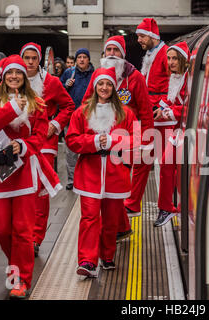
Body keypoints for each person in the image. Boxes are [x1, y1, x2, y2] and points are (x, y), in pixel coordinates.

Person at [0, 55, 61, 299]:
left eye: (19, 73)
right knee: (0, 227)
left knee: (22, 230)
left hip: (25, 173)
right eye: (10, 73)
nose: (14, 77)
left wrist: (23, 146)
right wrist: (13, 108)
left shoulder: (37, 103)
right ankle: (15, 262)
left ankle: (20, 278)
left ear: (25, 77)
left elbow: (39, 136)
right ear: (2, 77)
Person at [81, 35, 154, 241]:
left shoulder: (135, 78)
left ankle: (117, 227)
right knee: (110, 186)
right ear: (104, 54)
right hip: (102, 139)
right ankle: (121, 228)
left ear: (123, 54)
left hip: (128, 139)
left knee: (117, 183)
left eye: (116, 51)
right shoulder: (98, 75)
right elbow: (86, 104)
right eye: (109, 51)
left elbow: (146, 113)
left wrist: (146, 143)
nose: (112, 54)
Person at [65, 67, 137, 276]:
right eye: (101, 84)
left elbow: (136, 138)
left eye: (108, 84)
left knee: (111, 219)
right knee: (89, 217)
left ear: (114, 88)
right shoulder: (82, 112)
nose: (104, 88)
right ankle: (87, 261)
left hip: (116, 174)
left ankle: (107, 256)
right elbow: (71, 140)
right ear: (95, 87)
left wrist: (114, 140)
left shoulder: (125, 113)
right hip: (89, 173)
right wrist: (95, 141)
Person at [20, 42, 75, 257]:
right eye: (27, 58)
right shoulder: (13, 79)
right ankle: (23, 234)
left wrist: (56, 124)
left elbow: (68, 105)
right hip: (20, 141)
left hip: (45, 141)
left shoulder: (50, 82)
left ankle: (35, 237)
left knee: (40, 190)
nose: (31, 62)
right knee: (23, 189)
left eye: (34, 58)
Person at [123, 18, 170, 217]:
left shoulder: (166, 55)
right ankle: (133, 203)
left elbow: (174, 84)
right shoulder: (151, 54)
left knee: (160, 163)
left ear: (152, 36)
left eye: (142, 36)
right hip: (149, 116)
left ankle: (158, 205)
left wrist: (161, 105)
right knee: (144, 159)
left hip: (161, 118)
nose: (139, 40)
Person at [154, 41, 189, 227]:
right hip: (178, 130)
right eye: (168, 58)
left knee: (175, 169)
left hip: (187, 130)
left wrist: (168, 112)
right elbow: (170, 100)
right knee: (167, 167)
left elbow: (190, 106)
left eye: (174, 58)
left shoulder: (189, 79)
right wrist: (158, 108)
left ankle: (175, 208)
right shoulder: (175, 77)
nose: (170, 62)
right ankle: (167, 208)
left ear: (183, 59)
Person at [61, 48, 95, 190]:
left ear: (88, 59)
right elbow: (60, 91)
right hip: (71, 119)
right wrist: (65, 85)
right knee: (71, 152)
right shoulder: (69, 73)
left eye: (84, 57)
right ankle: (72, 180)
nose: (81, 59)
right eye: (79, 57)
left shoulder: (94, 75)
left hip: (89, 119)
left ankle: (88, 178)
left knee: (88, 150)